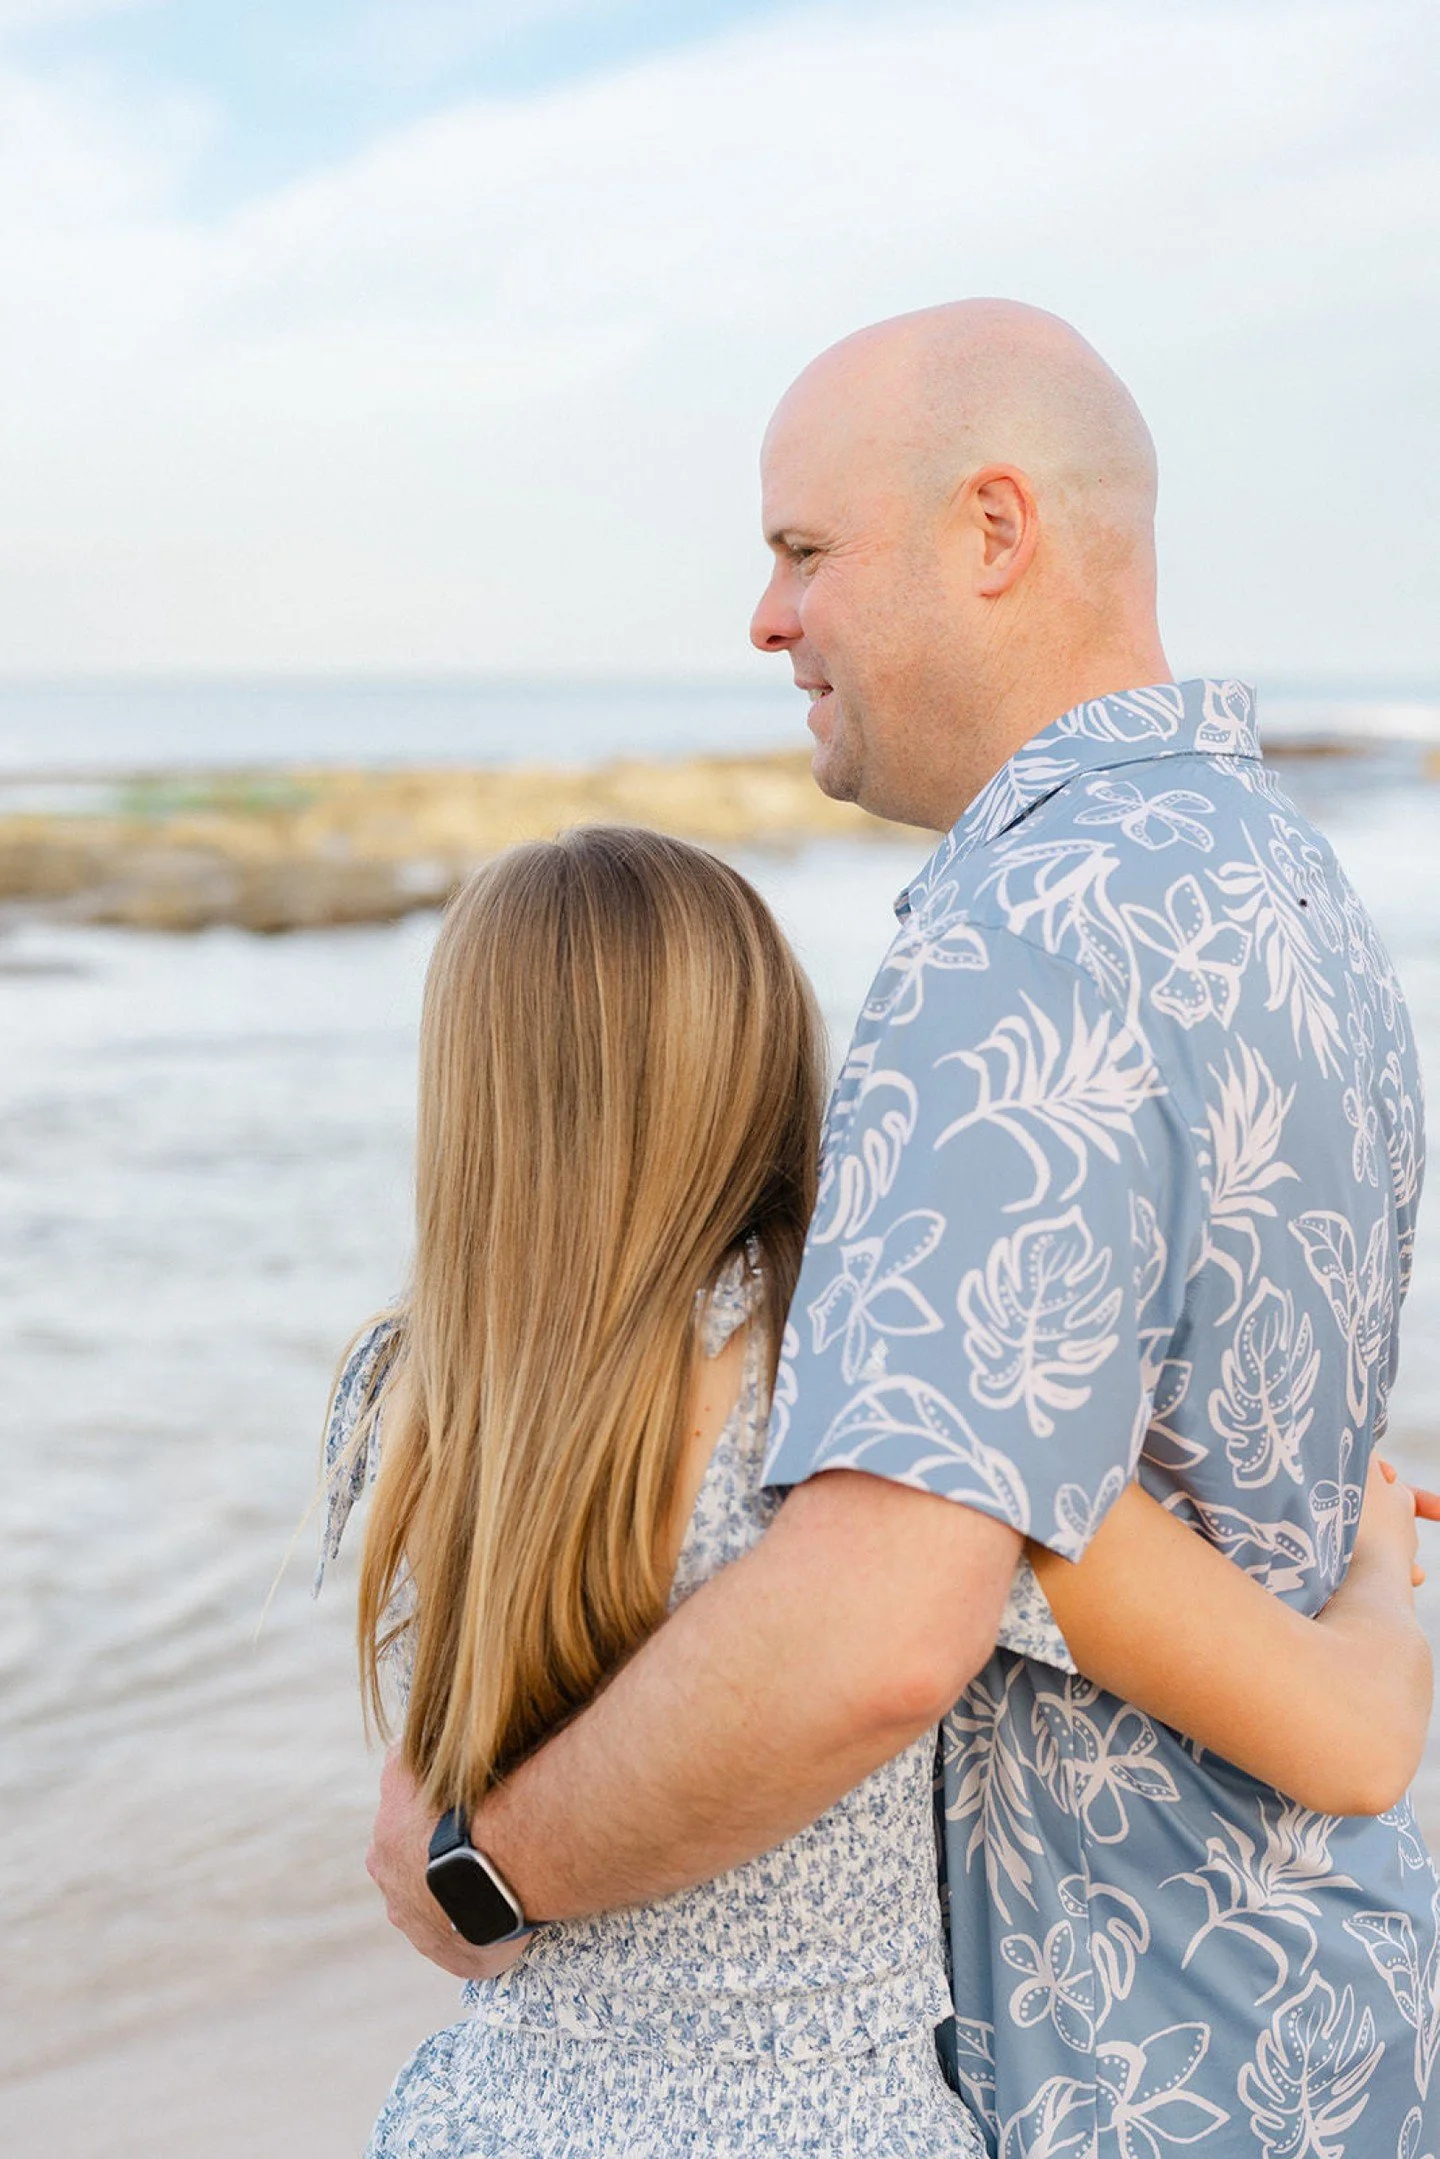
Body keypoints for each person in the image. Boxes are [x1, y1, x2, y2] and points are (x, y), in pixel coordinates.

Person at [365, 301, 1440, 2152]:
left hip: (1118, 2071)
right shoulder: (1289, 886)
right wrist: (1361, 1546)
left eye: (802, 551)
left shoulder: (1014, 939)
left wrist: (479, 1868)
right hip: (1324, 2013)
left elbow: (881, 1622)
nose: (768, 618)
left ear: (996, 529)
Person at [329, 825, 1428, 2157]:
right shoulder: (868, 1391)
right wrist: (1367, 1557)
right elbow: (1356, 1741)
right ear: (769, 1059)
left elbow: (454, 1867)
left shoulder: (401, 1395)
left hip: (489, 2114)